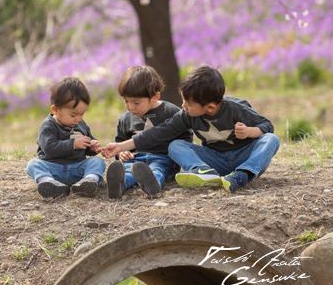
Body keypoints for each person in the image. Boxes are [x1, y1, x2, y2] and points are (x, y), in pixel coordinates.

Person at [102, 65, 280, 193]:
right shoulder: (187, 115)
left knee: (271, 139)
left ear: (209, 107)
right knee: (175, 145)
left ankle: (242, 175)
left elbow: (267, 126)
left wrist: (250, 132)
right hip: (215, 160)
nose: (183, 106)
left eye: (188, 103)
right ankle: (203, 171)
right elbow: (160, 132)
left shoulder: (236, 108)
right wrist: (120, 147)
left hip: (243, 155)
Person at [105, 65, 193, 199]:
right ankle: (119, 185)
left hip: (163, 159)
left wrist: (176, 158)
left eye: (136, 102)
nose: (130, 107)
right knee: (128, 171)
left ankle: (153, 185)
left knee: (157, 170)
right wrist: (122, 154)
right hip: (135, 160)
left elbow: (185, 136)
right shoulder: (125, 118)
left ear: (155, 97)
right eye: (126, 101)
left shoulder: (170, 112)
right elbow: (120, 142)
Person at [26, 77, 105, 199]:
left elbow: (87, 144)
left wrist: (92, 147)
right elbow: (49, 148)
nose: (78, 119)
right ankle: (49, 183)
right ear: (56, 110)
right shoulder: (48, 126)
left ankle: (88, 182)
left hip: (77, 168)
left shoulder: (81, 125)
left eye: (82, 114)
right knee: (33, 164)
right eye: (73, 115)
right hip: (54, 169)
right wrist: (73, 144)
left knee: (97, 162)